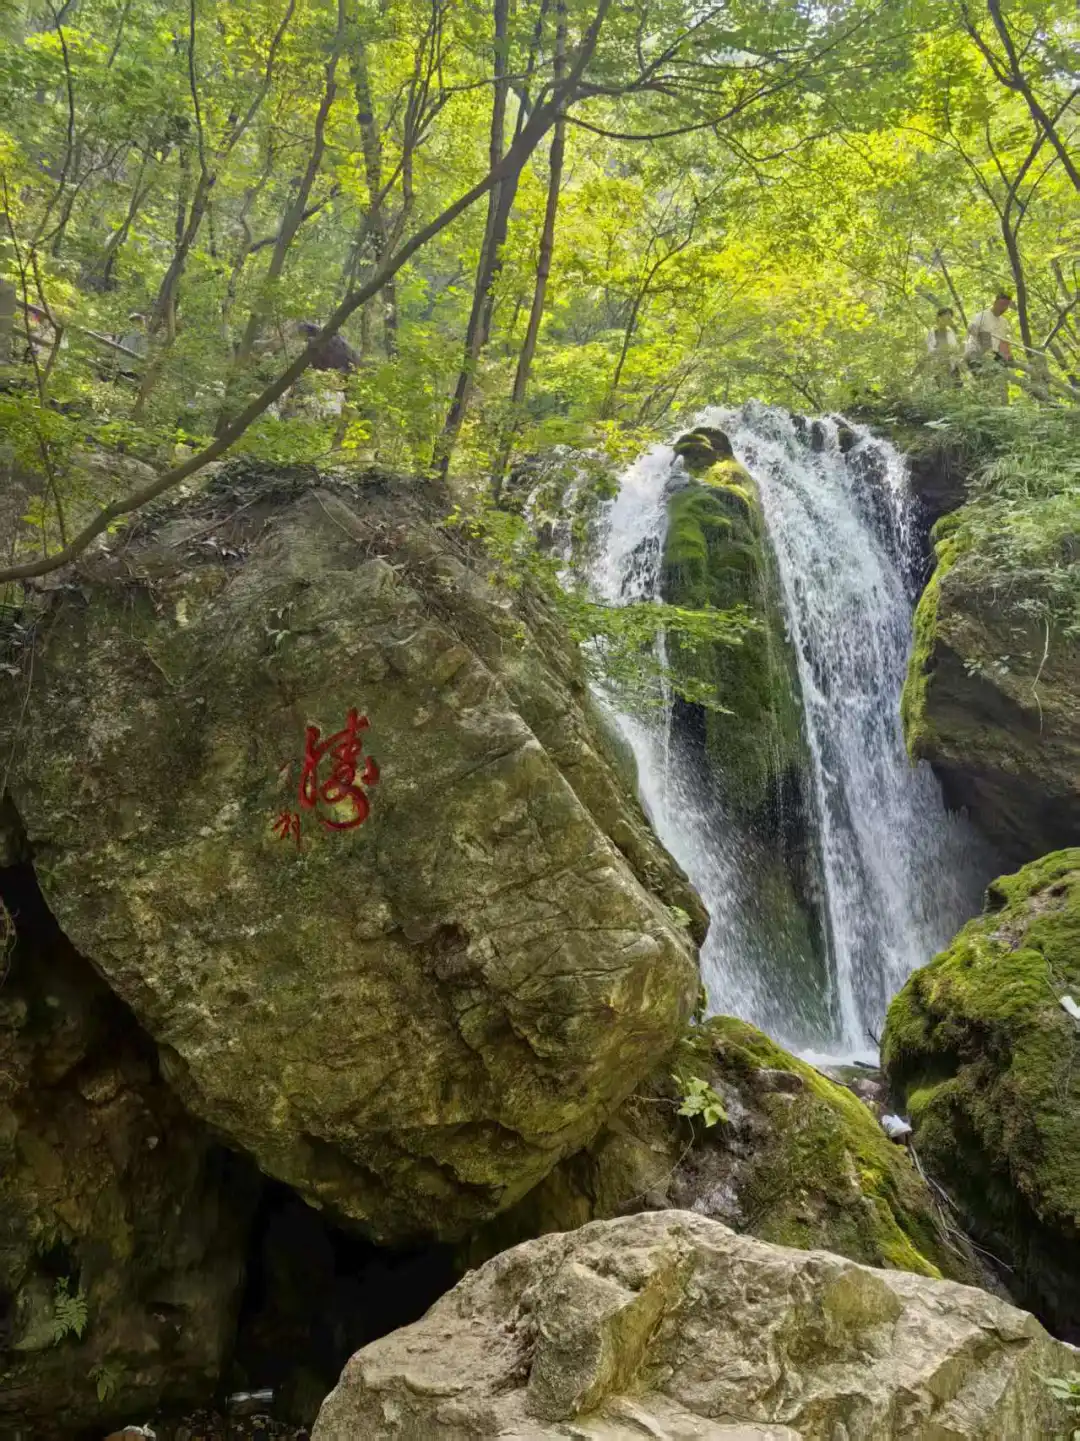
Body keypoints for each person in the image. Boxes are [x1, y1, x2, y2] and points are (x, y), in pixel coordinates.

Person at [964, 292, 1013, 369]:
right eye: (1002, 304)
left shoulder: (1004, 322)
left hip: (994, 355)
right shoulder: (981, 316)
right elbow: (971, 332)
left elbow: (1003, 342)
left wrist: (1007, 354)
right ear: (995, 303)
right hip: (976, 353)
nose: (1003, 308)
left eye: (1006, 305)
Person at [924, 306, 960, 381]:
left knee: (958, 388)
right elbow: (930, 350)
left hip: (953, 366)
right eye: (946, 317)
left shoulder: (951, 332)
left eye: (949, 318)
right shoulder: (933, 332)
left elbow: (956, 347)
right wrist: (942, 351)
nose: (947, 320)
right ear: (939, 317)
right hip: (939, 368)